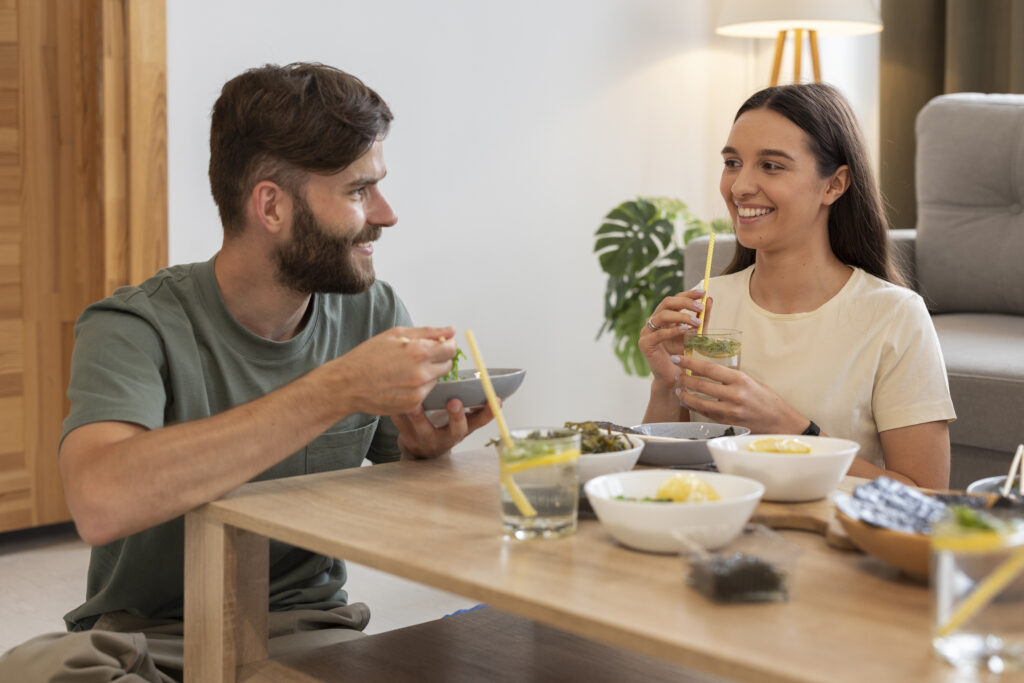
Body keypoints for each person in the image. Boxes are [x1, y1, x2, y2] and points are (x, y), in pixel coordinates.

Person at [0, 62, 493, 681]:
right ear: (271, 206)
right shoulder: (133, 325)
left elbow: (416, 505)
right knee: (32, 670)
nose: (387, 214)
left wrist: (426, 456)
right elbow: (99, 501)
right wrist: (335, 390)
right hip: (147, 641)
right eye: (358, 191)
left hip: (304, 632)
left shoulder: (374, 313)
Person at [639, 82, 955, 489]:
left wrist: (785, 426)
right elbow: (660, 476)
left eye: (771, 166)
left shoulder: (893, 316)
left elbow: (927, 496)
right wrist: (666, 383)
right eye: (733, 162)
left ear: (834, 185)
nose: (739, 187)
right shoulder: (709, 302)